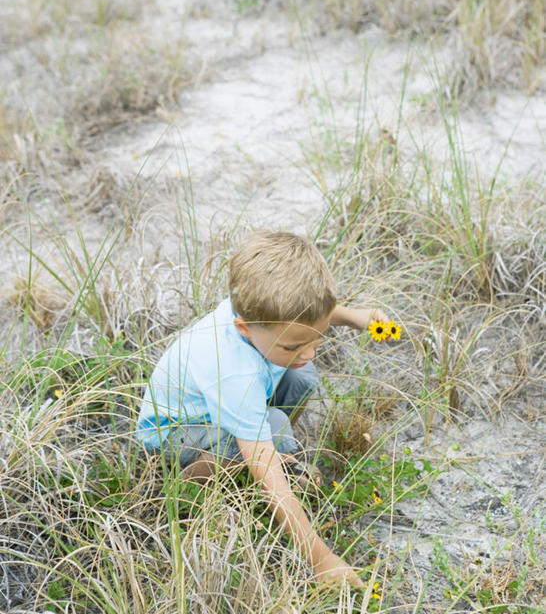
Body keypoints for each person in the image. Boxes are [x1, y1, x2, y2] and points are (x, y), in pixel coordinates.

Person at [137, 231, 390, 589]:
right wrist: (322, 560)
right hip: (173, 434)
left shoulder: (266, 316)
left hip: (230, 402)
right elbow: (264, 466)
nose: (308, 351)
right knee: (271, 427)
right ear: (244, 328)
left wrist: (358, 318)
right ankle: (189, 485)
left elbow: (310, 315)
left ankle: (262, 446)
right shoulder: (233, 369)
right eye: (292, 346)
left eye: (315, 339)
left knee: (302, 377)